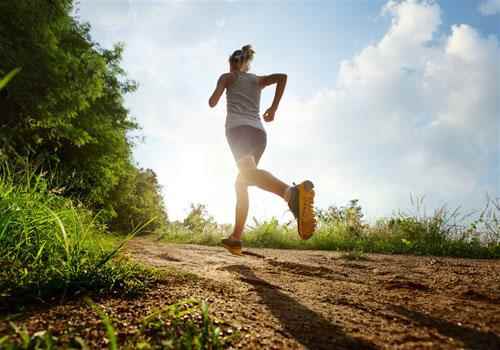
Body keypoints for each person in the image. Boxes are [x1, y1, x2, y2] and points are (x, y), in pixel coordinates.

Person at [208, 44, 316, 256]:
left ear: (233, 63)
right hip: (259, 133)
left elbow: (213, 102)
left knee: (247, 175)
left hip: (238, 130)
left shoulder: (228, 77)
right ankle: (236, 238)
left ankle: (291, 193)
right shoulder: (256, 79)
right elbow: (282, 77)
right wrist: (273, 108)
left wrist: (223, 84)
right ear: (247, 64)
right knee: (242, 182)